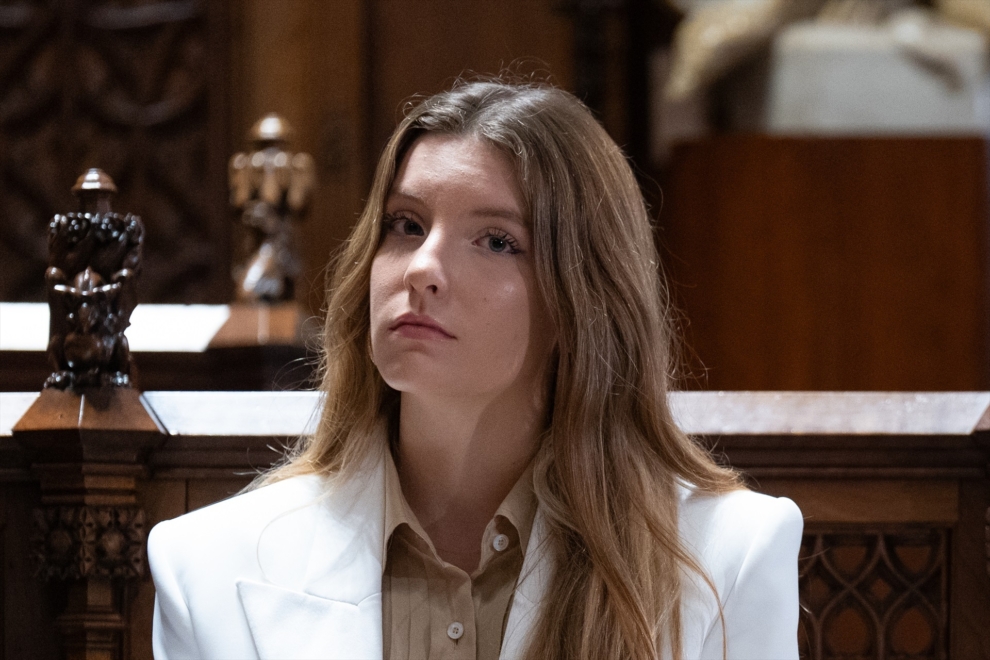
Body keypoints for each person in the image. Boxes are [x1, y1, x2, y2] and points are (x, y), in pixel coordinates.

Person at [148, 79, 803, 660]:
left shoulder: (728, 559)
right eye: (405, 225)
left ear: (583, 300)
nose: (423, 268)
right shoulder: (210, 566)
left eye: (496, 241)